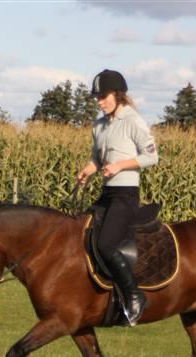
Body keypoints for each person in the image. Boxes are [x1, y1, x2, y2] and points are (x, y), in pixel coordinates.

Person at [77, 69, 159, 325]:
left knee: (105, 244)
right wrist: (88, 170)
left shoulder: (133, 120)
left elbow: (152, 157)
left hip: (125, 194)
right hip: (107, 193)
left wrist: (120, 166)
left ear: (117, 95)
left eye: (103, 97)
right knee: (80, 232)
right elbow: (97, 159)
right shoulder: (99, 125)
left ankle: (135, 296)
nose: (99, 102)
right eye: (97, 98)